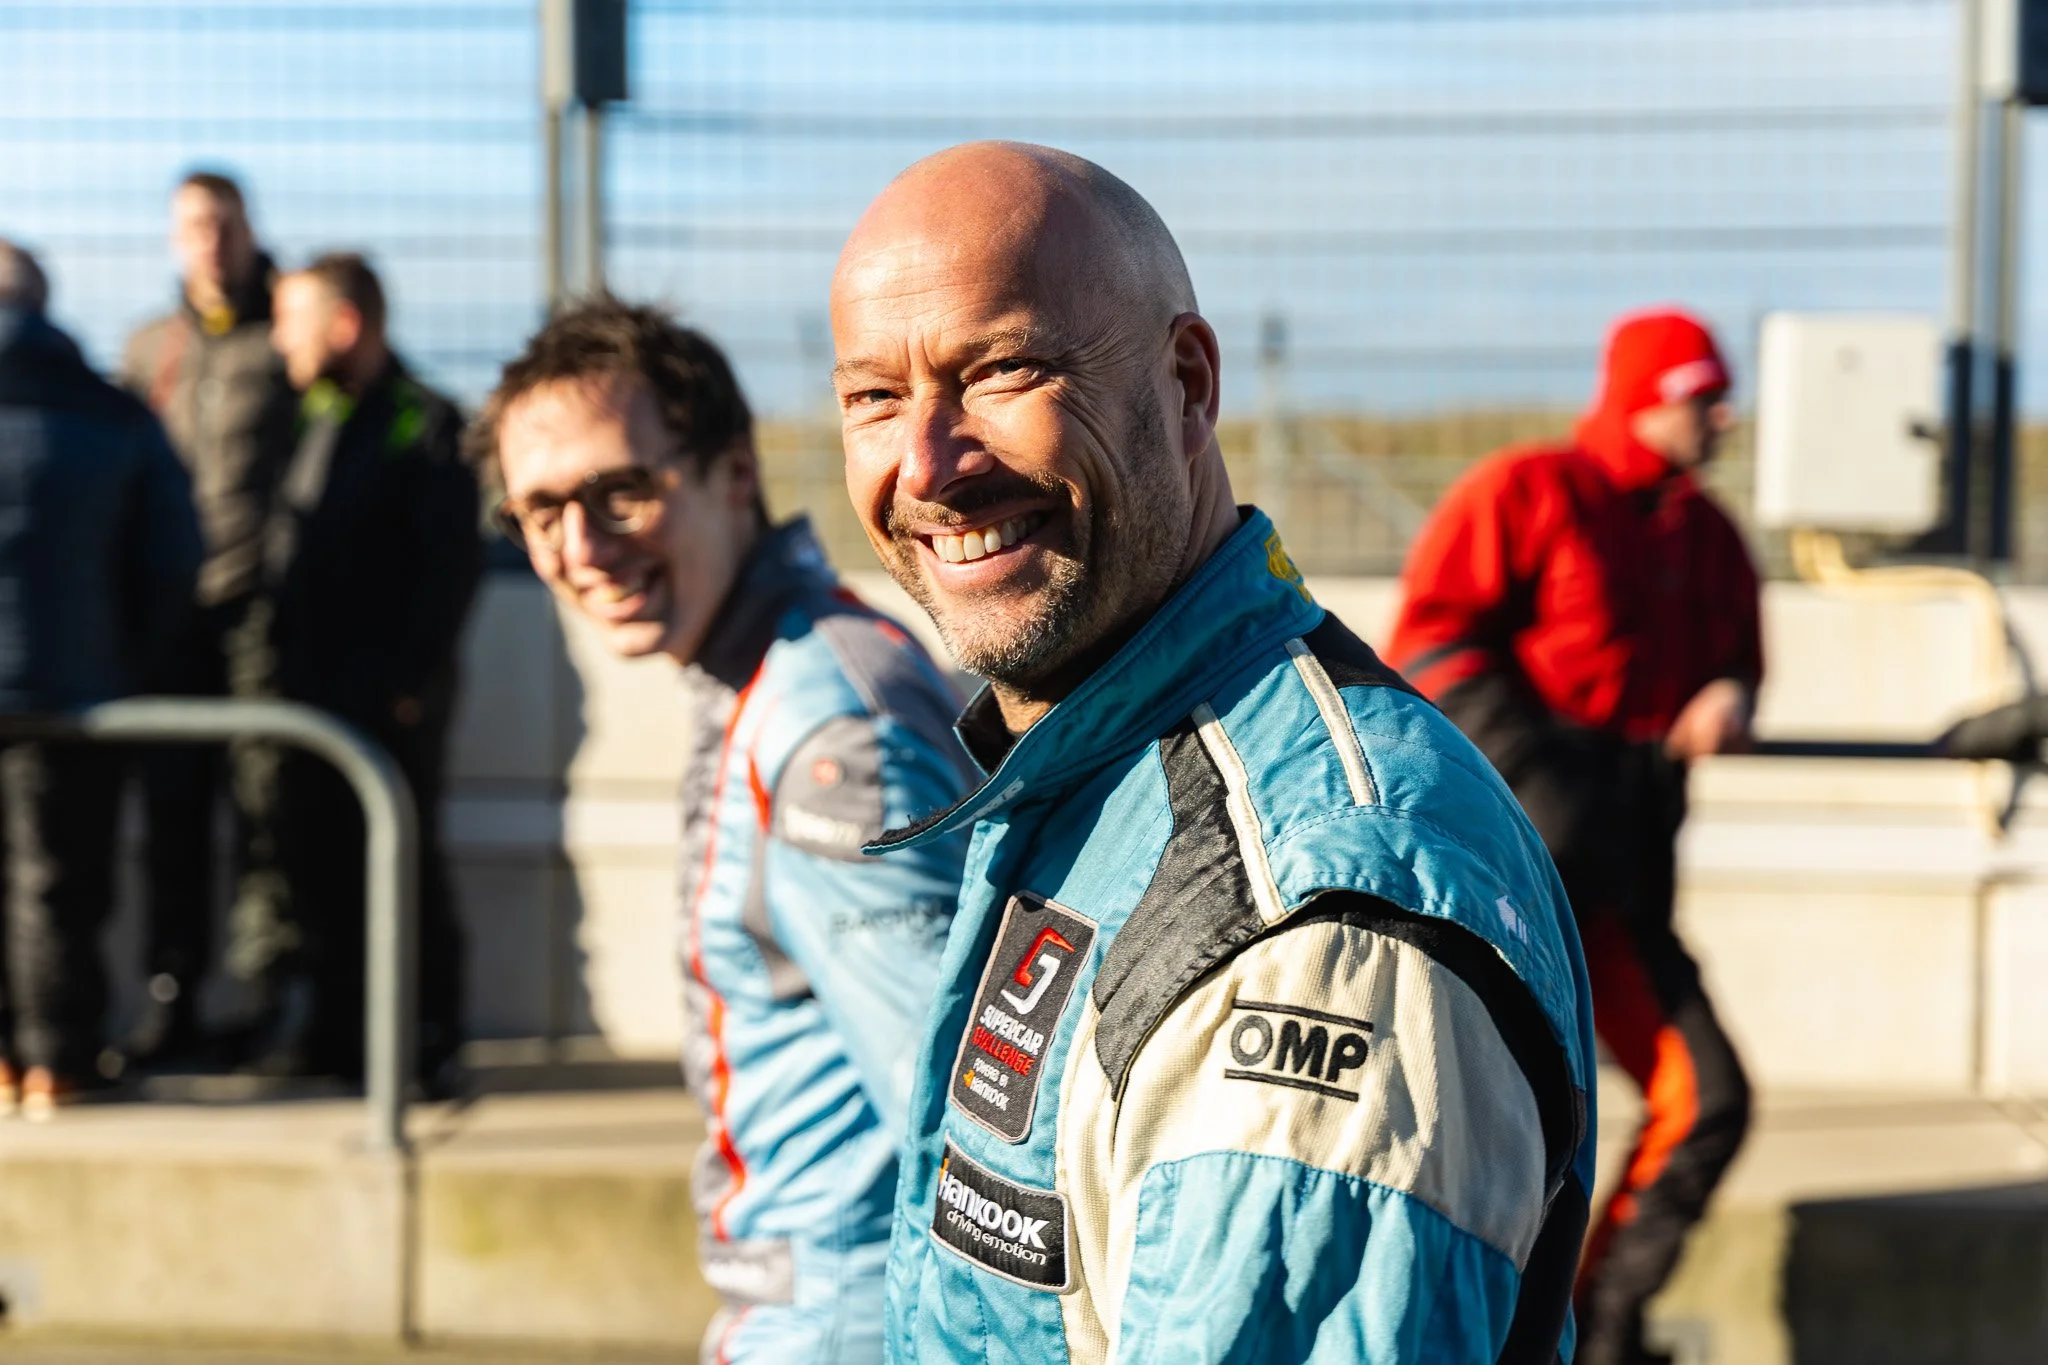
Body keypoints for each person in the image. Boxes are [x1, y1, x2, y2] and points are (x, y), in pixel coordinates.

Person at [832, 141, 1595, 1364]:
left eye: (1002, 371)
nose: (926, 465)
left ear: (1187, 384)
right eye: (873, 396)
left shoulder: (1310, 920)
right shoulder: (1089, 765)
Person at [479, 297, 975, 1364]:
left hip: (851, 1322)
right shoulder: (769, 670)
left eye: (620, 490)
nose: (581, 547)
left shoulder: (825, 724)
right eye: (540, 510)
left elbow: (958, 1115)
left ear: (732, 473)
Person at [1386, 308, 1758, 1365]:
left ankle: (1596, 1337)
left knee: (1707, 1101)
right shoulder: (1527, 492)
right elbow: (1432, 649)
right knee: (1467, 1135)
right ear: (1643, 398)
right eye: (1702, 396)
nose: (1722, 416)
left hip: (1626, 900)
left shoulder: (1708, 538)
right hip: (1503, 894)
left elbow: (1736, 664)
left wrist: (1727, 694)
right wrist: (1550, 783)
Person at [255, 252, 480, 1083]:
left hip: (388, 695)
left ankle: (427, 1040)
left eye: (293, 321)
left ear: (345, 324)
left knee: (402, 857)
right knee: (317, 862)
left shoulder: (421, 421)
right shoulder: (314, 416)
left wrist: (410, 681)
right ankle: (338, 1038)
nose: (280, 341)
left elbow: (447, 564)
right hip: (310, 688)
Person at [0, 241, 203, 1114]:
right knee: (60, 880)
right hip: (75, 692)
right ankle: (58, 1060)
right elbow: (173, 558)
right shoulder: (110, 411)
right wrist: (119, 654)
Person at [118, 170, 296, 1068]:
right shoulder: (151, 349)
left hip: (260, 615)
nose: (211, 243)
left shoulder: (285, 340)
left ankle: (267, 1000)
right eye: (194, 226)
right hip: (169, 617)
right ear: (173, 238)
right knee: (173, 818)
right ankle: (172, 997)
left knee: (267, 811)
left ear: (249, 228)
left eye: (224, 224)